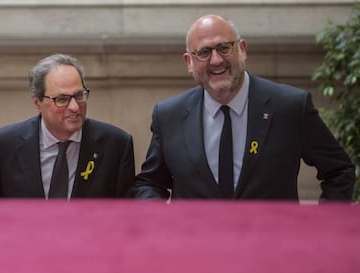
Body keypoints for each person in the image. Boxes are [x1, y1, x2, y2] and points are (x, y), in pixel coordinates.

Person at [133, 15, 355, 201]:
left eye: (224, 47)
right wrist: (161, 225)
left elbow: (339, 171)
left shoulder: (290, 107)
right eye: (204, 53)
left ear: (242, 49)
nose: (216, 60)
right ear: (189, 62)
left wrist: (320, 227)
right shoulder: (169, 115)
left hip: (273, 249)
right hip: (196, 248)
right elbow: (150, 183)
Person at [0, 53, 135, 199]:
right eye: (62, 99)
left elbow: (127, 215)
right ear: (37, 102)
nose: (74, 107)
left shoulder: (116, 145)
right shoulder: (3, 146)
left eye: (79, 95)